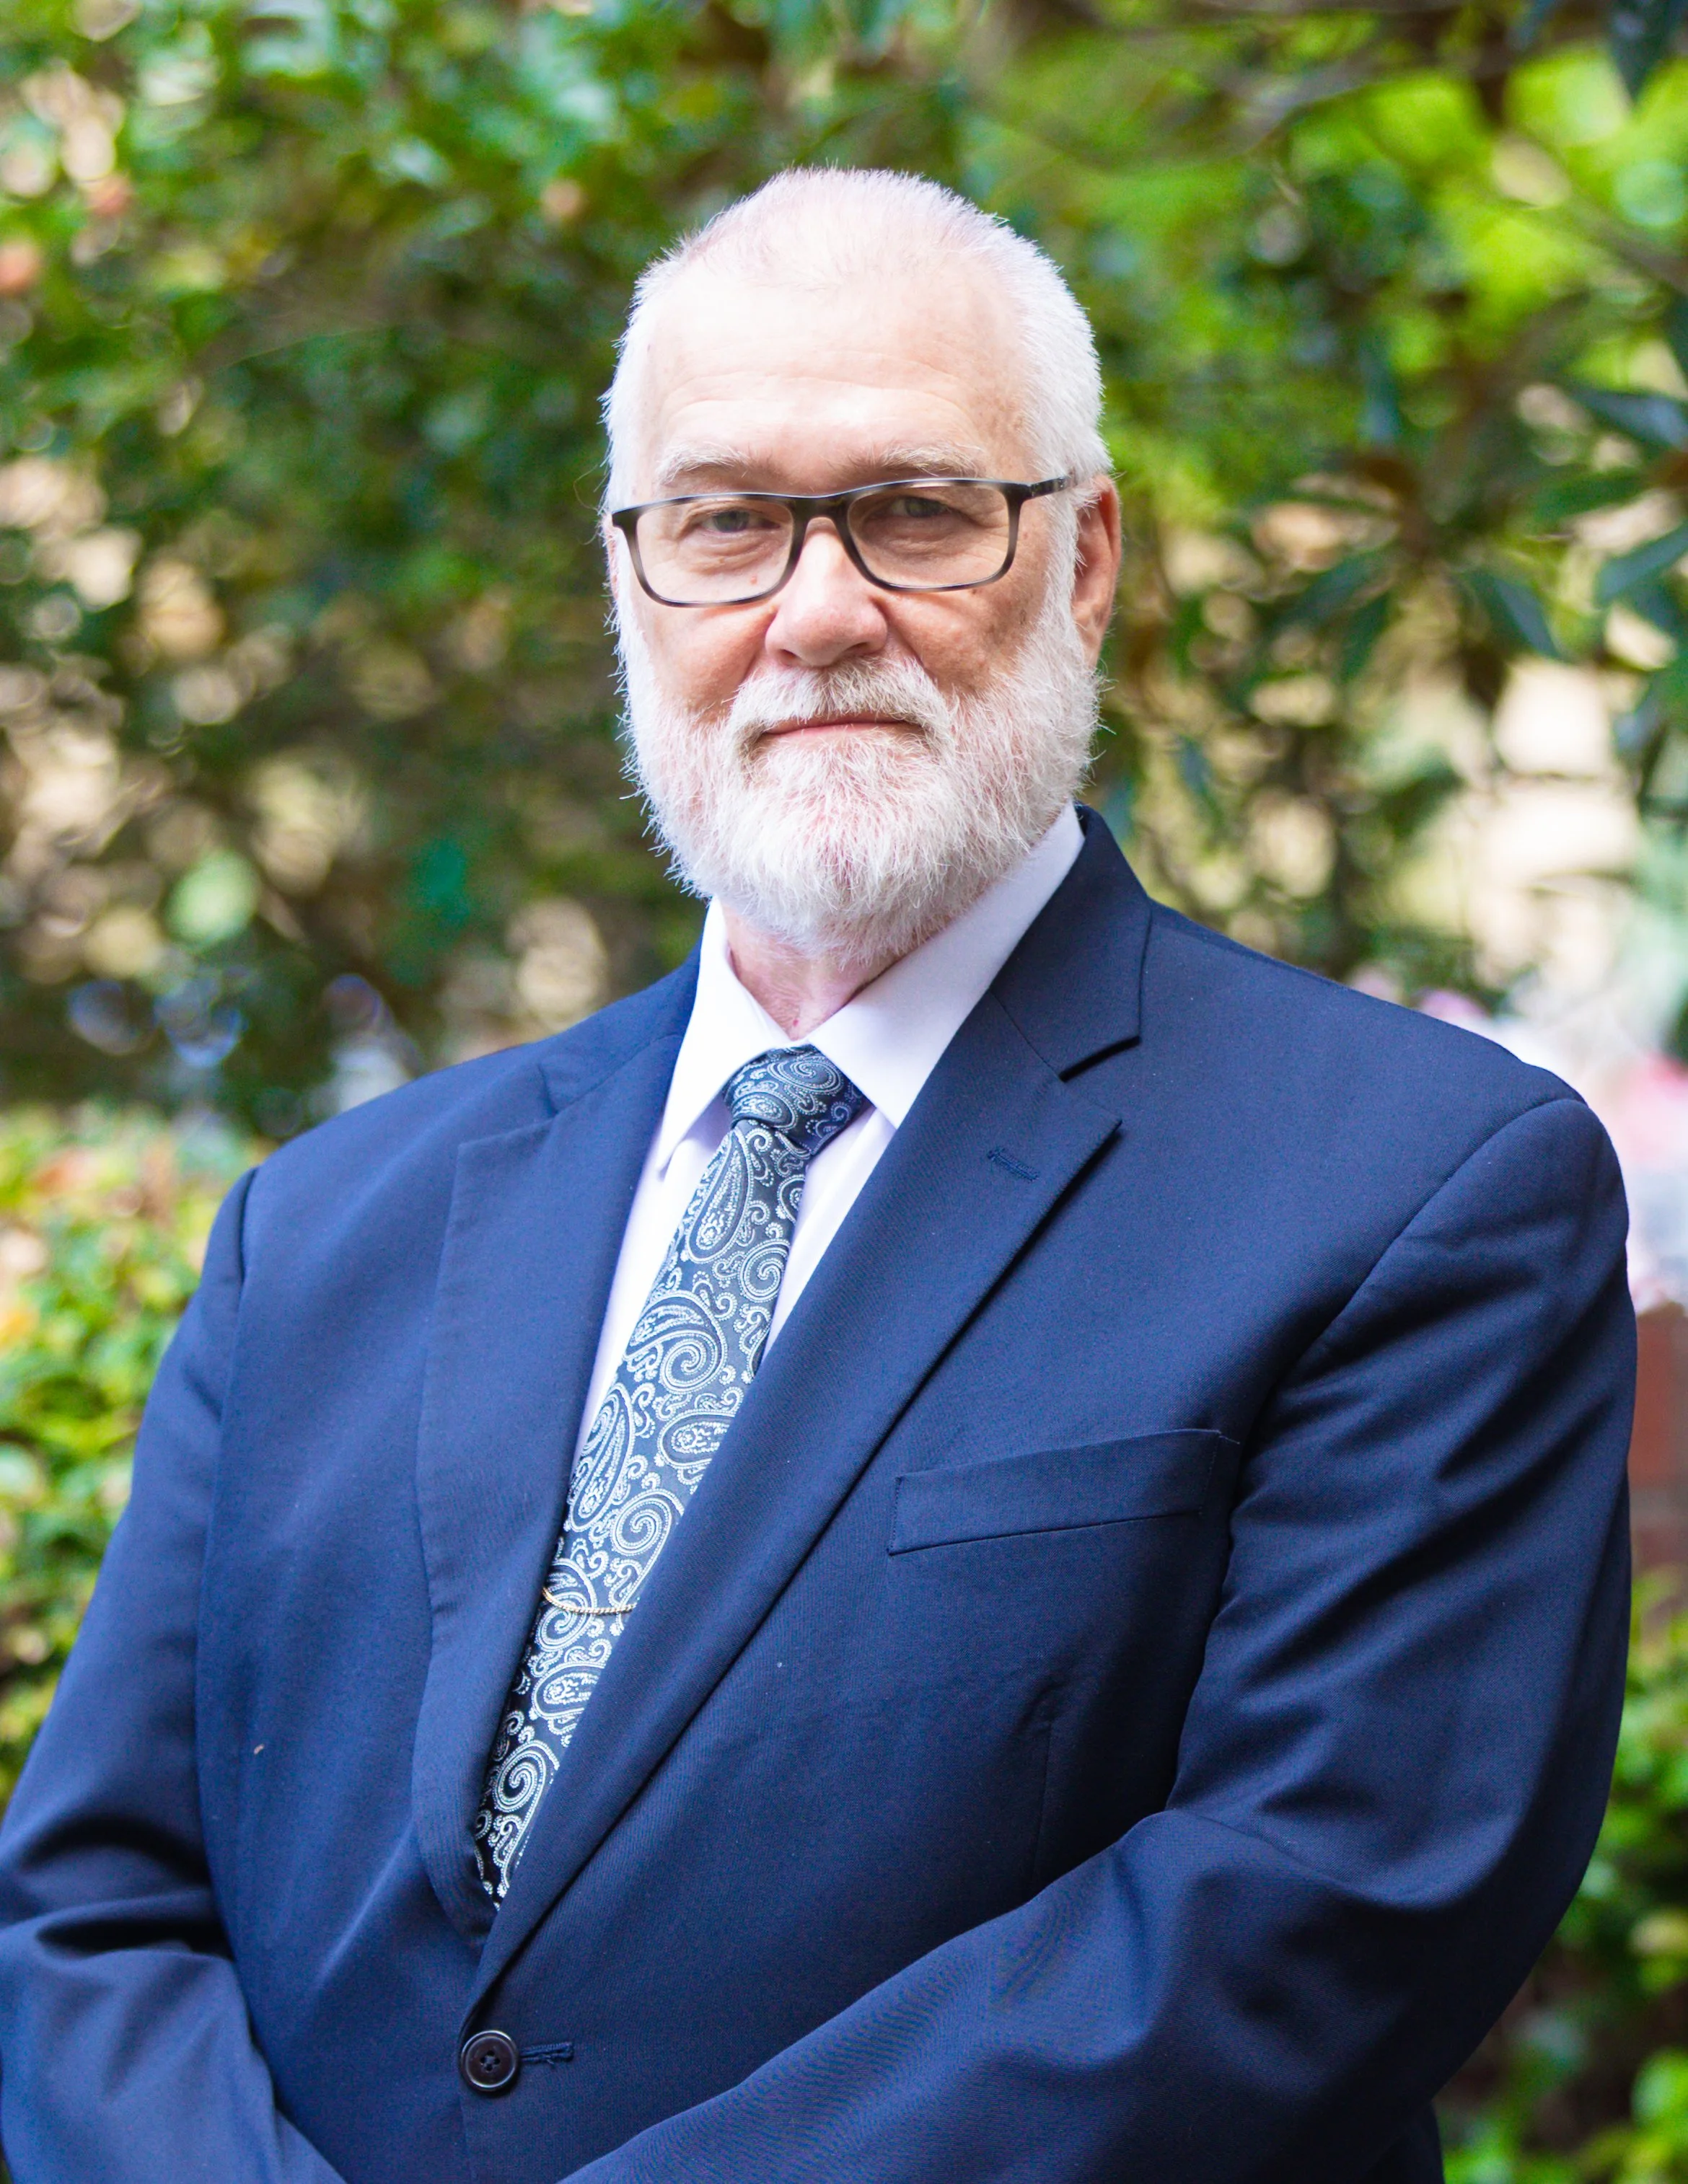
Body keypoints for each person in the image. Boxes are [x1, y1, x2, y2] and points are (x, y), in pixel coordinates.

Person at [0, 168, 1633, 2184]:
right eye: (726, 521)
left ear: (1086, 557)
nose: (818, 607)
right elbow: (93, 1916)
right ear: (631, 580)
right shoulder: (325, 1226)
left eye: (918, 511)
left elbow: (1305, 1906)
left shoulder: (1419, 1190)